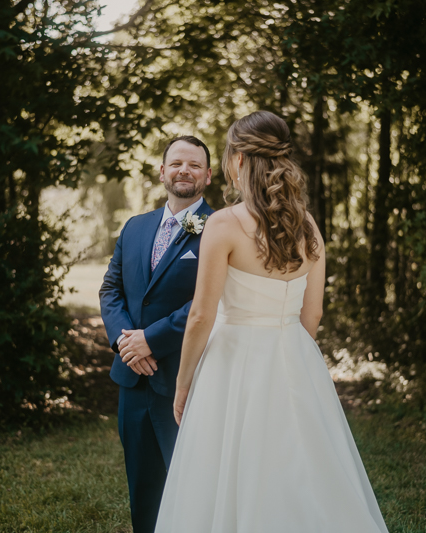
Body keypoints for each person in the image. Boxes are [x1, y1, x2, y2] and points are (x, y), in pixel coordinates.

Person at [154, 111, 389, 533]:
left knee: (224, 470)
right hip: (295, 357)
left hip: (231, 364)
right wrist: (292, 357)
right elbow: (312, 314)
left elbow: (201, 315)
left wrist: (183, 383)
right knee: (301, 471)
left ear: (238, 160)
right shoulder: (309, 227)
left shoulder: (223, 224)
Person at [99, 135, 215, 533]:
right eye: (177, 163)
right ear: (162, 171)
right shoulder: (134, 227)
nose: (185, 170)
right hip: (132, 380)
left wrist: (152, 339)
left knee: (193, 487)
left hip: (187, 381)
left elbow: (211, 301)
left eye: (194, 165)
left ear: (208, 176)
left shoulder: (220, 228)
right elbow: (110, 290)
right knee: (143, 490)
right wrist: (125, 343)